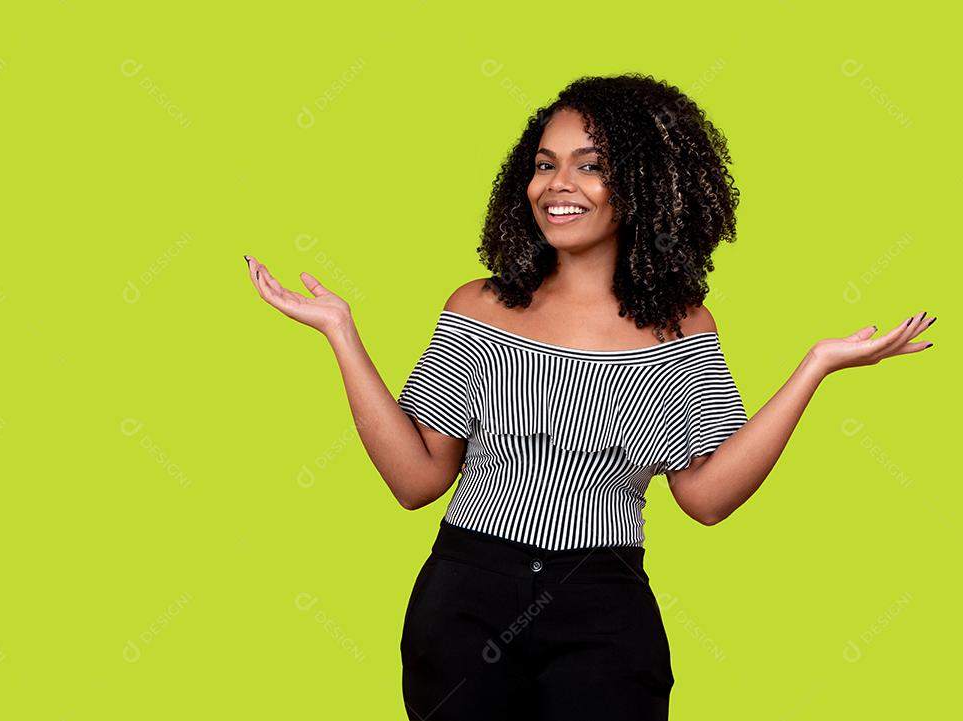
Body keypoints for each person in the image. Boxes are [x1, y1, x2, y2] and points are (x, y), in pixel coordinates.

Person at [243, 73, 935, 720]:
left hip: (604, 604)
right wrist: (341, 331)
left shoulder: (683, 328)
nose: (557, 184)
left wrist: (814, 367)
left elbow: (706, 498)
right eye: (545, 163)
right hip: (464, 599)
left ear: (642, 183)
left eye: (590, 163)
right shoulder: (477, 307)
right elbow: (415, 479)